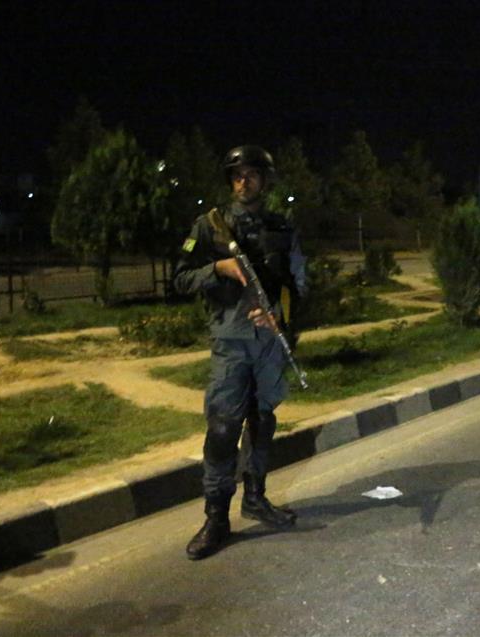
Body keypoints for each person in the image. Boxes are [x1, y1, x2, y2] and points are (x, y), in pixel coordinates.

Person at [174, 145, 308, 560]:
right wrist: (219, 269)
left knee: (263, 422)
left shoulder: (282, 228)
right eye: (236, 175)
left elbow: (298, 286)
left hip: (268, 344)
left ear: (265, 181)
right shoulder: (210, 227)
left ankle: (256, 497)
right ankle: (216, 517)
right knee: (222, 430)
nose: (243, 181)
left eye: (251, 174)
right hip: (230, 343)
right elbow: (180, 278)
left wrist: (280, 319)